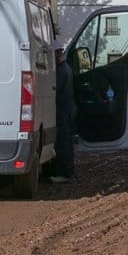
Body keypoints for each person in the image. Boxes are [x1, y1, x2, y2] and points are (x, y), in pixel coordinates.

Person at [51, 41, 76, 184]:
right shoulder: (65, 68)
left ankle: (65, 173)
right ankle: (68, 171)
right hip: (67, 108)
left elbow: (54, 90)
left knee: (62, 142)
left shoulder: (61, 71)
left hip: (62, 109)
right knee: (66, 141)